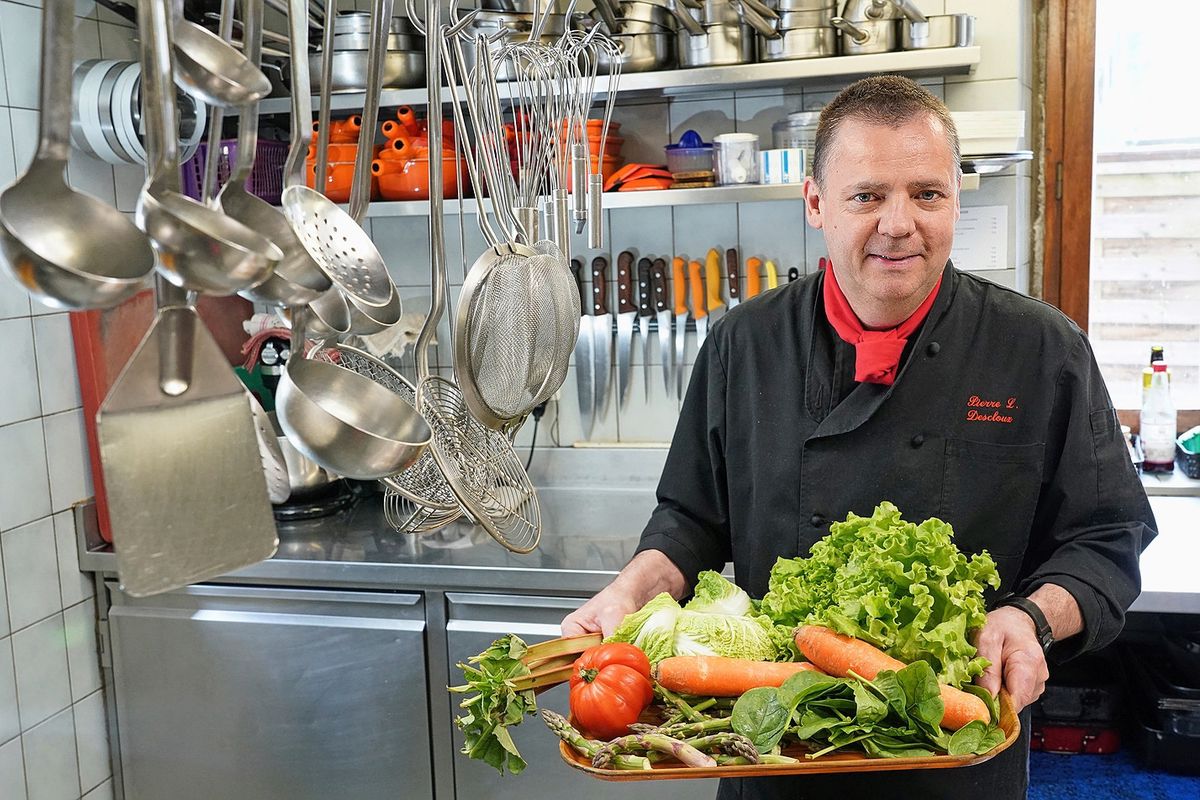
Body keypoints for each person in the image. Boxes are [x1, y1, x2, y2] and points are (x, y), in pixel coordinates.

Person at [561, 75, 1156, 799]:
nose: (899, 223)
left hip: (955, 748)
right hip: (774, 750)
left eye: (927, 193)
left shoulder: (1041, 351)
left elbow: (1106, 540)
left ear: (955, 201)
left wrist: (1029, 618)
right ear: (816, 204)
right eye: (867, 195)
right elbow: (690, 518)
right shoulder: (742, 345)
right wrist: (632, 588)